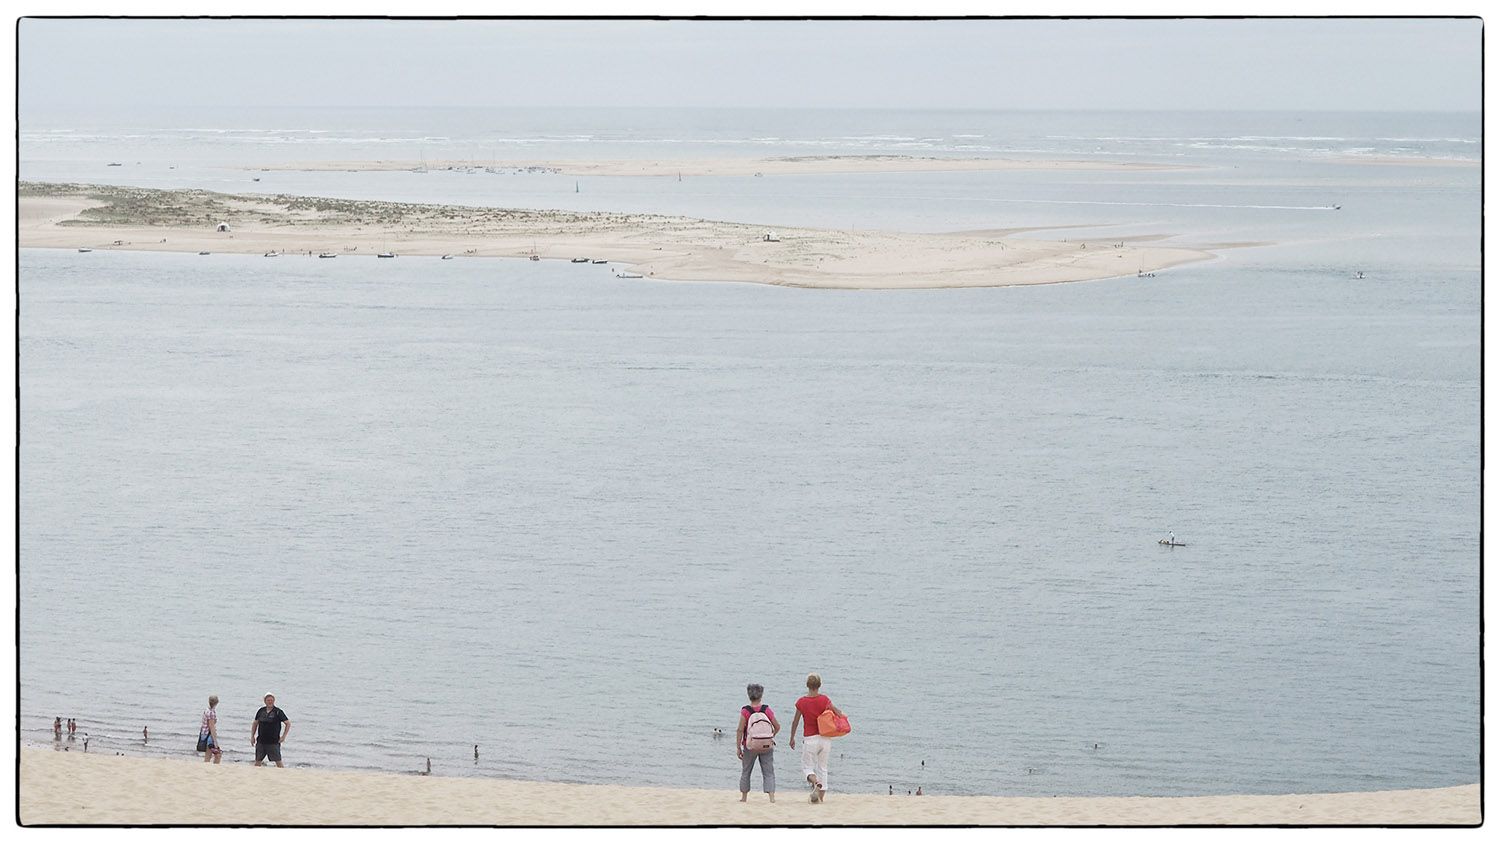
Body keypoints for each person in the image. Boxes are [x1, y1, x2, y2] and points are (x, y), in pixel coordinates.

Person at [788, 673, 845, 804]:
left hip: (810, 739)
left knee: (807, 767)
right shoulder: (824, 700)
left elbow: (795, 722)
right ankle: (820, 798)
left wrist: (792, 738)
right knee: (823, 768)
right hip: (825, 739)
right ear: (819, 685)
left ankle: (815, 782)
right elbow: (838, 712)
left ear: (807, 685)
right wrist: (843, 719)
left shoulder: (801, 702)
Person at [736, 683, 779, 803]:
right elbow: (777, 726)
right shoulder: (766, 709)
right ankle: (771, 797)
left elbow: (740, 729)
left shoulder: (746, 711)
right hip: (766, 745)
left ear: (749, 695)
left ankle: (744, 797)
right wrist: (770, 736)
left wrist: (738, 747)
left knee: (746, 771)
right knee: (768, 771)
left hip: (750, 746)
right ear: (761, 695)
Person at [251, 693, 291, 768]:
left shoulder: (278, 712)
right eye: (268, 700)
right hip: (261, 741)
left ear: (274, 701)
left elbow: (288, 723)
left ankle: (283, 775)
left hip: (273, 742)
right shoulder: (261, 711)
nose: (270, 702)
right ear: (265, 701)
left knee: (278, 761)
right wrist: (252, 736)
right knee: (258, 761)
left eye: (271, 700)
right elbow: (255, 723)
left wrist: (283, 737)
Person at [199, 695, 223, 763]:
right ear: (216, 703)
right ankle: (214, 768)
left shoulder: (207, 710)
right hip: (209, 735)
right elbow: (211, 727)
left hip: (204, 734)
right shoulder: (211, 713)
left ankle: (207, 767)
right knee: (217, 754)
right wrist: (215, 742)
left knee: (208, 755)